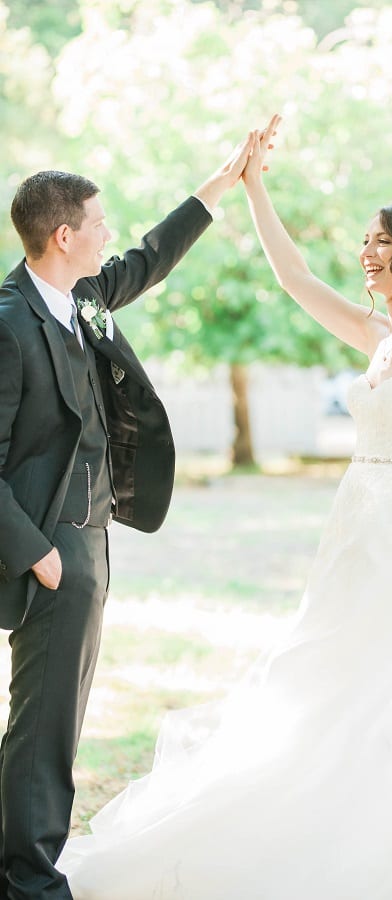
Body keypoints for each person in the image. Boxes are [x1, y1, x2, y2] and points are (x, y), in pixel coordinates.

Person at [58, 117, 392, 898]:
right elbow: (294, 279)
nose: (365, 253)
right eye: (365, 241)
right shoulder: (381, 337)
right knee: (328, 682)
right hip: (356, 536)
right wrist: (253, 185)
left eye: (380, 240)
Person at [0, 131, 259, 900]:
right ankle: (29, 882)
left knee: (60, 720)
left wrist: (217, 185)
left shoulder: (82, 298)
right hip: (47, 553)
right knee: (41, 726)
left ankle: (23, 866)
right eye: (98, 223)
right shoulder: (9, 322)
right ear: (63, 235)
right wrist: (36, 553)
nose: (109, 234)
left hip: (91, 545)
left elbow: (148, 258)